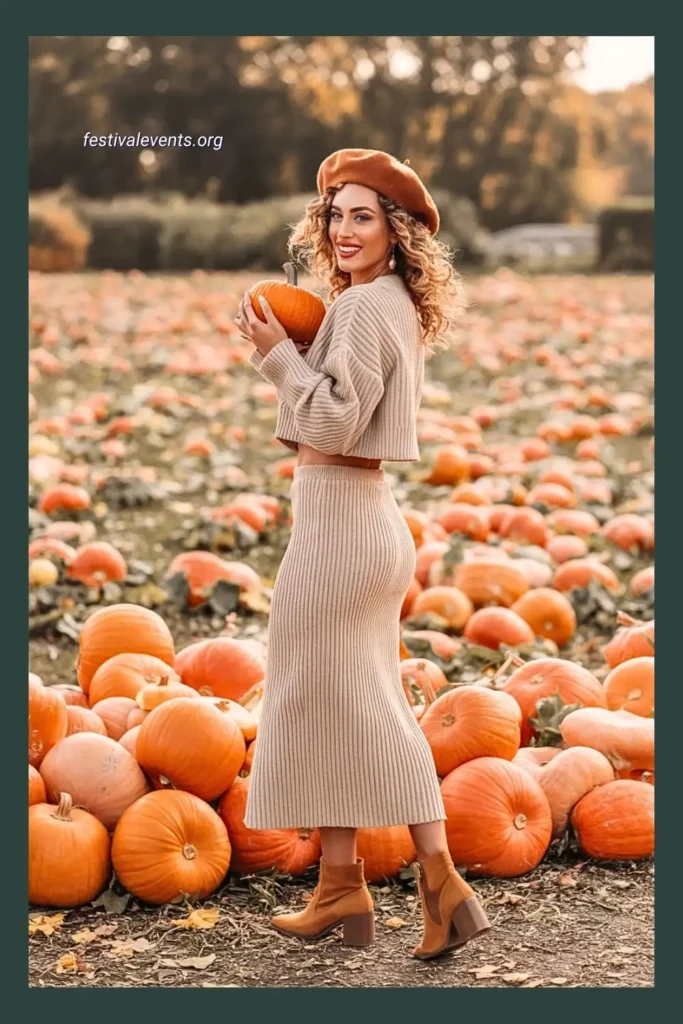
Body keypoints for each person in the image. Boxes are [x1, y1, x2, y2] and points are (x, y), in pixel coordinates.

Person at [234, 148, 490, 961]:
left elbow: (334, 424)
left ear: (396, 230)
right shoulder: (384, 303)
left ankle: (441, 881)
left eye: (363, 216)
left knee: (362, 708)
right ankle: (341, 889)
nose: (343, 230)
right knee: (335, 701)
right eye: (335, 214)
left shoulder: (359, 310)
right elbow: (343, 410)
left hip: (342, 526)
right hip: (356, 520)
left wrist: (277, 357)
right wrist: (290, 352)